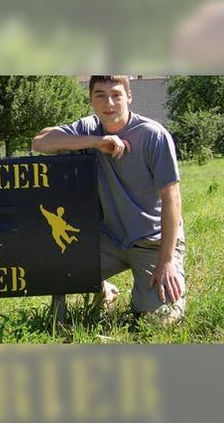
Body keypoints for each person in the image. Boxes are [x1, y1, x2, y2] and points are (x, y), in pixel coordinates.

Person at [32, 76, 185, 324]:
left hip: (152, 242)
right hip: (109, 240)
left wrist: (166, 261)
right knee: (59, 264)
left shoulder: (153, 135)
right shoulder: (88, 128)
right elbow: (40, 142)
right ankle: (104, 291)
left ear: (129, 96)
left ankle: (145, 296)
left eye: (116, 94)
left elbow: (172, 201)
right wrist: (97, 142)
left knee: (159, 320)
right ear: (91, 100)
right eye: (100, 95)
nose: (109, 102)